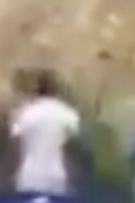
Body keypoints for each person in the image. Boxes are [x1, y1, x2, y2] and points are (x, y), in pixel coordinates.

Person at [10, 67, 83, 196]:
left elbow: (14, 139)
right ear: (57, 91)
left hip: (29, 176)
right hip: (56, 175)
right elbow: (76, 144)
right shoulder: (67, 113)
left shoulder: (26, 112)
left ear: (37, 90)